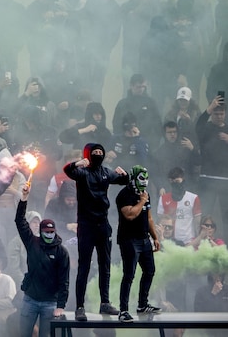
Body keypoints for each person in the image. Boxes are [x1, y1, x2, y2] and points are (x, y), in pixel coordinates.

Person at [64, 143, 129, 321]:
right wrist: (78, 163)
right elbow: (68, 170)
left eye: (101, 152)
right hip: (86, 226)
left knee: (105, 265)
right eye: (95, 152)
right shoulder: (82, 172)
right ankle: (79, 307)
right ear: (88, 154)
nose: (99, 154)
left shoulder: (106, 172)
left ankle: (105, 303)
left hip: (103, 225)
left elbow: (124, 180)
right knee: (84, 266)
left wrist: (125, 174)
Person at [15, 184, 69, 337]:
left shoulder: (61, 252)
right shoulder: (33, 242)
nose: (49, 234)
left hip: (50, 303)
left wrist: (60, 306)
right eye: (46, 232)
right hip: (30, 299)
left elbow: (64, 280)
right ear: (41, 231)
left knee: (45, 335)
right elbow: (19, 221)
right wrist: (24, 198)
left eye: (52, 232)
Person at [115, 165, 162, 322]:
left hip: (144, 239)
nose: (145, 181)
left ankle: (143, 304)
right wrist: (142, 201)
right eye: (142, 178)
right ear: (134, 178)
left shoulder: (146, 194)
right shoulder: (124, 194)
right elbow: (130, 215)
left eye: (147, 178)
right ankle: (123, 311)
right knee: (129, 275)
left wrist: (155, 237)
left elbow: (149, 217)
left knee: (150, 271)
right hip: (129, 240)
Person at [196, 94, 228, 238]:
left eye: (221, 113)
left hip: (225, 179)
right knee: (205, 212)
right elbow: (198, 125)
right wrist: (209, 109)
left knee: (226, 215)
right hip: (207, 177)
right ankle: (201, 243)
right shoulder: (206, 128)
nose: (219, 116)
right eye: (216, 113)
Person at [111, 74, 163, 149]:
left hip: (147, 145)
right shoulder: (122, 104)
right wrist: (122, 141)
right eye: (138, 87)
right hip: (125, 146)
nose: (141, 89)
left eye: (143, 87)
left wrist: (153, 143)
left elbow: (158, 125)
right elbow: (116, 124)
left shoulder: (151, 103)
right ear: (131, 86)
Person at [156, 167, 202, 245]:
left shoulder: (193, 198)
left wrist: (198, 240)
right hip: (168, 241)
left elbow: (197, 222)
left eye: (177, 181)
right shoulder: (163, 198)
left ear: (183, 180)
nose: (175, 183)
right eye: (172, 181)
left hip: (188, 241)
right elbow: (160, 220)